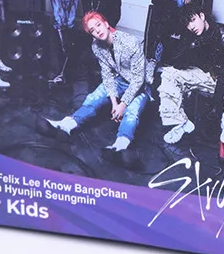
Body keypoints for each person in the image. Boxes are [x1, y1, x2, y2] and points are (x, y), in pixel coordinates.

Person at [38, 11, 151, 167]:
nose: (97, 31)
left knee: (131, 112)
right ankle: (66, 126)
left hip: (140, 85)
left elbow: (138, 79)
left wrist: (123, 104)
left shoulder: (130, 42)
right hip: (119, 80)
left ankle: (120, 146)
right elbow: (107, 75)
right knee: (93, 98)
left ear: (106, 24)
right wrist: (114, 103)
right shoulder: (96, 46)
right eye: (92, 30)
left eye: (98, 25)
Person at [157, 2, 224, 148]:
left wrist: (216, 108)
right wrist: (191, 46)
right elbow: (176, 63)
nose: (191, 26)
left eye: (192, 20)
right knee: (169, 73)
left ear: (202, 16)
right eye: (187, 24)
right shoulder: (190, 35)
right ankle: (179, 123)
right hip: (206, 77)